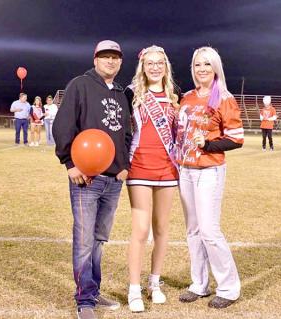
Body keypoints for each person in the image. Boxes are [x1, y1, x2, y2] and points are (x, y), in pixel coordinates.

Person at [52, 40, 132, 319]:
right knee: (85, 240)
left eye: (115, 57)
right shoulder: (80, 85)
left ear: (121, 62)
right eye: (105, 56)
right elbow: (62, 124)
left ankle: (93, 292)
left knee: (98, 240)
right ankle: (84, 301)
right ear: (95, 59)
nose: (111, 61)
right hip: (86, 178)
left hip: (113, 180)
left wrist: (124, 166)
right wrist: (69, 163)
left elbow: (125, 133)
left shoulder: (122, 94)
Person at [175, 47, 243, 309]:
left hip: (210, 169)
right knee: (192, 230)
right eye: (197, 65)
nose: (201, 69)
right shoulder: (187, 97)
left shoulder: (224, 97)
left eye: (206, 64)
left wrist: (207, 144)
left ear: (215, 67)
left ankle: (228, 287)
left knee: (209, 231)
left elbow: (236, 139)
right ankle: (199, 284)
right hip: (186, 169)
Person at [124, 45, 179, 313]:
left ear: (166, 67)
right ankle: (134, 288)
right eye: (150, 63)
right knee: (141, 229)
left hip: (167, 170)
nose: (155, 67)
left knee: (161, 228)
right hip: (139, 167)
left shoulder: (175, 98)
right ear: (142, 67)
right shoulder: (131, 94)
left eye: (160, 63)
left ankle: (154, 282)